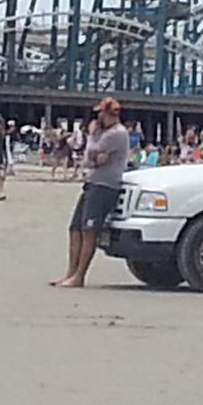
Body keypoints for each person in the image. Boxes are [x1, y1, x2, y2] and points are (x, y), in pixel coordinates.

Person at [52, 96, 129, 288]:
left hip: (104, 186)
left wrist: (93, 136)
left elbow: (91, 153)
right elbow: (92, 158)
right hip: (92, 183)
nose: (97, 117)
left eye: (100, 113)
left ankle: (79, 276)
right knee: (75, 228)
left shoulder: (116, 134)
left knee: (89, 230)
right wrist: (94, 156)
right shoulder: (107, 133)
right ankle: (70, 273)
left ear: (107, 114)